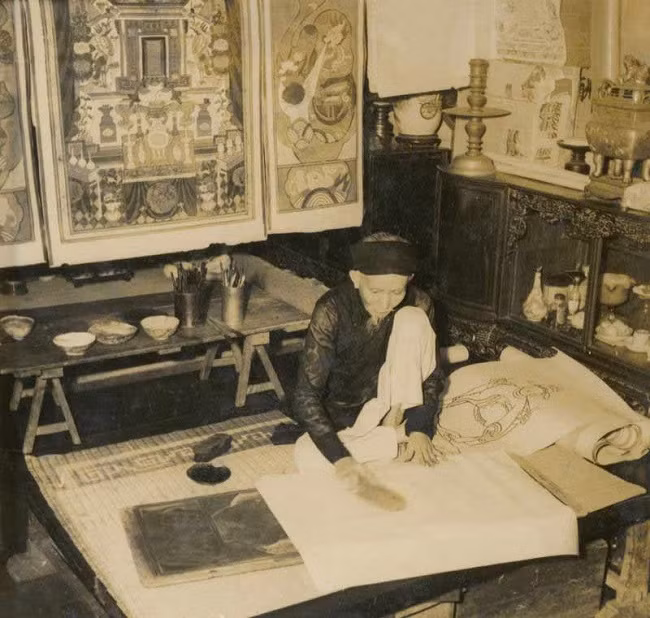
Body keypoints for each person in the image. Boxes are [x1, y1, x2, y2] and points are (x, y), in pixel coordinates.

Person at [291, 233, 447, 508]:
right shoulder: (331, 309)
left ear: (409, 280)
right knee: (307, 455)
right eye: (375, 292)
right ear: (356, 278)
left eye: (396, 292)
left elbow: (431, 375)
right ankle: (394, 440)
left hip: (395, 408)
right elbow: (306, 394)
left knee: (412, 318)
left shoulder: (419, 303)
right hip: (345, 415)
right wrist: (342, 460)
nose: (386, 304)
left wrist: (421, 428)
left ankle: (398, 433)